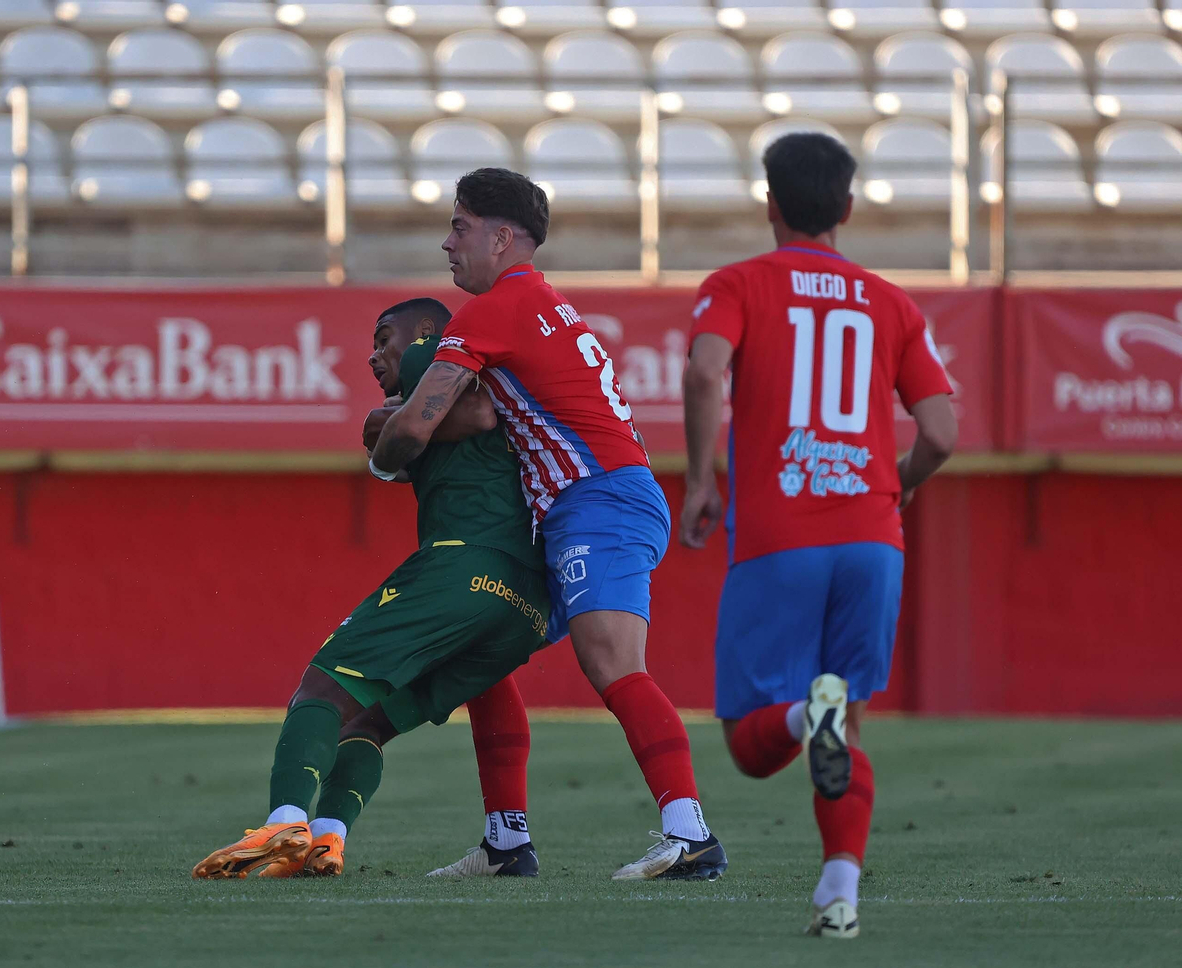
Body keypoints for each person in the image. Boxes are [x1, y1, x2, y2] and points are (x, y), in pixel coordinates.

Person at [369, 168, 726, 882]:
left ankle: (690, 833)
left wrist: (382, 447)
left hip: (599, 500)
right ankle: (507, 841)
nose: (447, 243)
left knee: (611, 661)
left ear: (503, 238)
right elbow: (482, 413)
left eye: (460, 227)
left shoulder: (493, 309)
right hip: (578, 505)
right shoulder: (535, 302)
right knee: (485, 642)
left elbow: (418, 423)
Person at [679, 132, 958, 938]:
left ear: (770, 204)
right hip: (873, 537)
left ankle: (807, 718)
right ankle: (839, 893)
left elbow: (703, 370)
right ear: (846, 208)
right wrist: (891, 487)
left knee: (750, 744)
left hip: (780, 536)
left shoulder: (737, 283)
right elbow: (940, 433)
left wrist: (702, 479)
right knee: (852, 720)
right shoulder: (892, 302)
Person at [192, 298, 551, 879]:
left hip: (463, 565)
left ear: (426, 334)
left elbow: (475, 416)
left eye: (385, 339)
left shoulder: (434, 356)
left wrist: (394, 426)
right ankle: (326, 839)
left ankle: (285, 820)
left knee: (324, 686)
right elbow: (423, 442)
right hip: (525, 606)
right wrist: (391, 436)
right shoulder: (484, 388)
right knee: (368, 724)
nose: (373, 355)